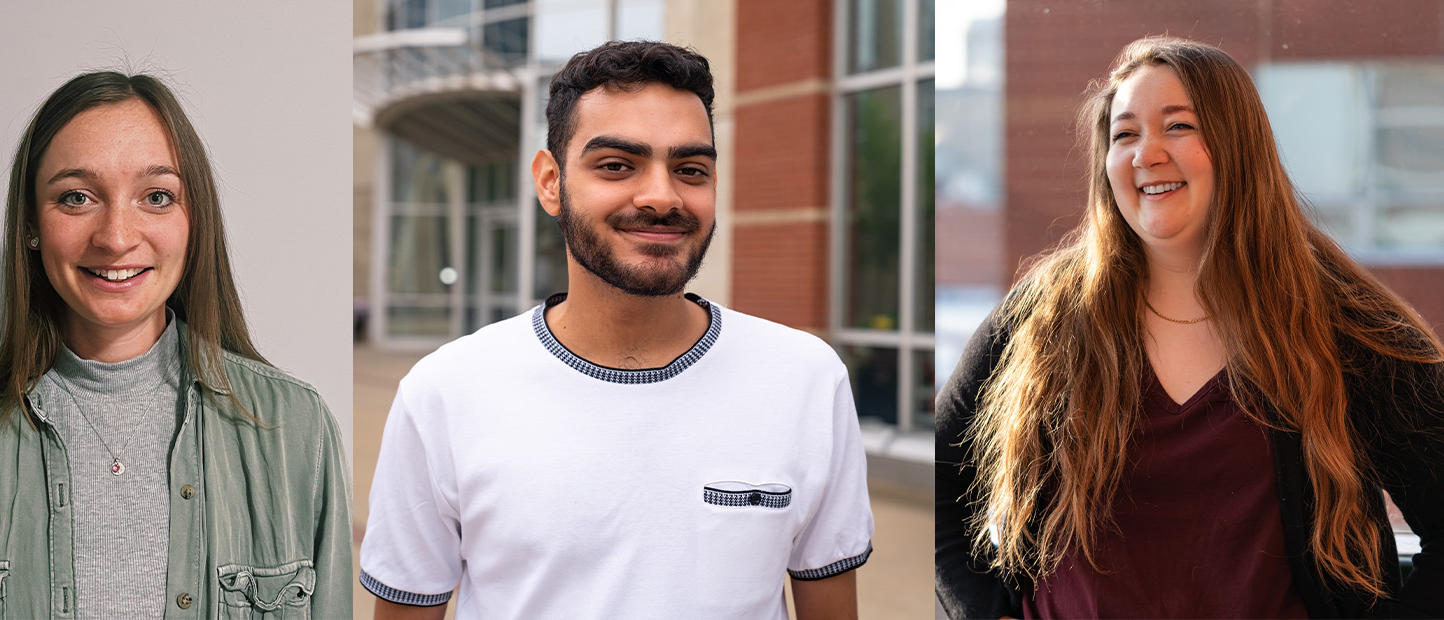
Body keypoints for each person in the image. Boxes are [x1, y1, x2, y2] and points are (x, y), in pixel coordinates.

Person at [359, 41, 875, 619]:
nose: (661, 196)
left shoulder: (804, 377)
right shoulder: (444, 391)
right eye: (616, 166)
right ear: (551, 182)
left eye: (690, 170)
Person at [934, 35, 1444, 618]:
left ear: (1238, 147)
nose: (1146, 154)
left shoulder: (1343, 325)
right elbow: (942, 488)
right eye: (1124, 134)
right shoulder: (1042, 317)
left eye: (1177, 126)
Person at [0, 72, 352, 619]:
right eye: (76, 197)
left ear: (194, 221)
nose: (116, 237)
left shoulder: (297, 431)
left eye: (156, 196)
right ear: (31, 223)